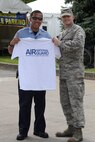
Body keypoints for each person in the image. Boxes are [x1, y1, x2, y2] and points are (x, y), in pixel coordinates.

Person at [8, 10, 51, 140]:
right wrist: (11, 44)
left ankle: (39, 130)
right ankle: (23, 131)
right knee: (24, 105)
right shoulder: (21, 33)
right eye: (35, 18)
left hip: (40, 77)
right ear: (30, 19)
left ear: (42, 20)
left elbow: (51, 53)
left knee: (40, 105)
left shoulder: (47, 36)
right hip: (25, 77)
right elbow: (11, 52)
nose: (37, 21)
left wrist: (54, 43)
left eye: (40, 19)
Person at [53, 8, 85, 142]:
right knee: (65, 102)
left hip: (75, 74)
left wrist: (60, 43)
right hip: (64, 74)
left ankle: (78, 132)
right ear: (61, 19)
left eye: (68, 16)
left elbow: (78, 45)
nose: (66, 19)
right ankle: (70, 127)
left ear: (73, 17)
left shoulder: (78, 30)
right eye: (64, 17)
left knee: (75, 102)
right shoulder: (63, 33)